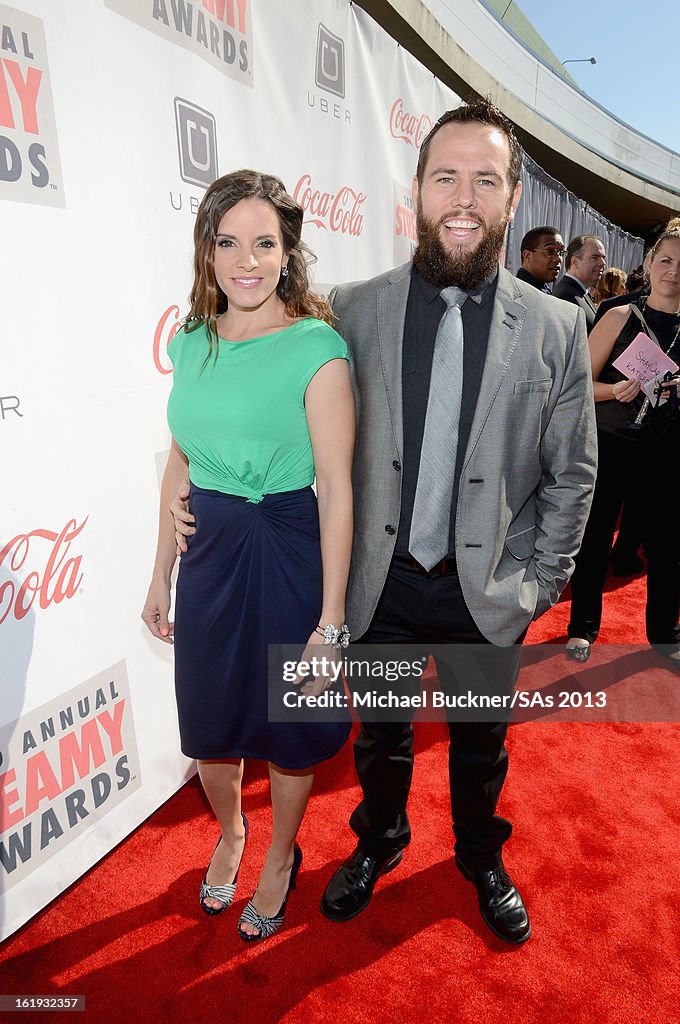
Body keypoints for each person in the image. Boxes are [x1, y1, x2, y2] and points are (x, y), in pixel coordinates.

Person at [172, 101, 597, 945]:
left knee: (481, 746)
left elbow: (573, 472)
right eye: (447, 177)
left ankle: (480, 856)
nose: (464, 197)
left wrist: (540, 584)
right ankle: (379, 842)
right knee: (382, 739)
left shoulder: (555, 326)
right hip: (382, 584)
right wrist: (194, 483)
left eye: (486, 179)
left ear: (513, 198)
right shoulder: (351, 311)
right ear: (416, 194)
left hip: (489, 592)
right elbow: (252, 366)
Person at [141, 170, 355, 942]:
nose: (247, 260)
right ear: (208, 251)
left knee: (289, 725)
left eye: (265, 242)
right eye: (228, 241)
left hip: (290, 551)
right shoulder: (191, 341)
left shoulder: (316, 347)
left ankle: (280, 853)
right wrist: (161, 570)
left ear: (289, 251)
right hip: (211, 554)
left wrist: (330, 623)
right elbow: (180, 461)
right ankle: (231, 831)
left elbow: (335, 487)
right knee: (211, 722)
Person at [566, 226, 680, 667]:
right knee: (595, 540)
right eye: (665, 260)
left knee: (668, 548)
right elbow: (577, 384)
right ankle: (582, 629)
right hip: (612, 446)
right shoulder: (617, 316)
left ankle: (665, 637)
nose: (673, 271)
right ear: (649, 264)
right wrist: (616, 391)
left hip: (669, 452)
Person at [554, 234, 607, 333]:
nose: (602, 263)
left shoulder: (579, 292)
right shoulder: (567, 296)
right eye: (595, 257)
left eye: (603, 258)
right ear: (575, 261)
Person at [515, 226, 565, 292]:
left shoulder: (541, 288)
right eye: (550, 251)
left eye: (561, 252)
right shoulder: (520, 293)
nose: (558, 259)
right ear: (527, 256)